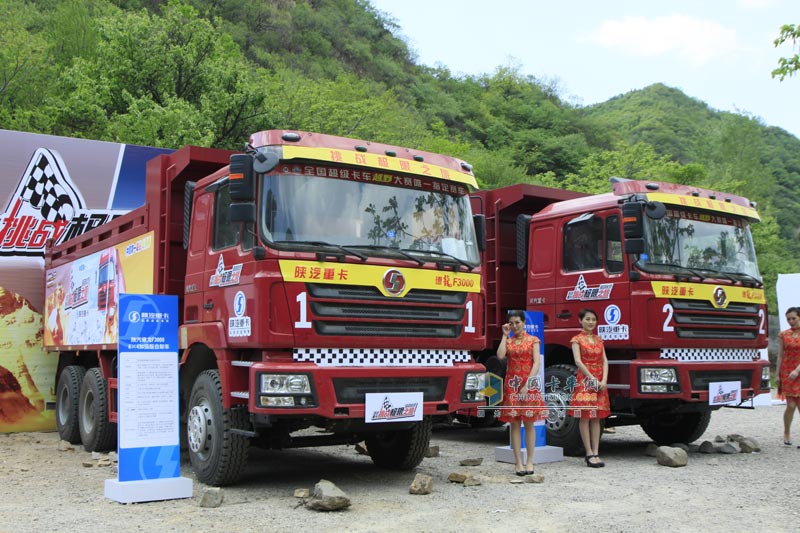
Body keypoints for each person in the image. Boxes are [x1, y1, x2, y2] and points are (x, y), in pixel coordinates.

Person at [496, 310, 546, 476]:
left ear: (524, 322)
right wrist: (504, 335)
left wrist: (527, 385)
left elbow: (537, 364)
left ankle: (530, 461)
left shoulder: (533, 340)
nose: (515, 326)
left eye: (518, 322)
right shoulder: (508, 341)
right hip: (512, 385)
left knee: (529, 423)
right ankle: (518, 462)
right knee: (515, 424)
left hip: (529, 385)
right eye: (512, 323)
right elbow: (500, 356)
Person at [568, 308, 610, 467]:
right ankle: (589, 453)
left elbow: (605, 360)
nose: (591, 322)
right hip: (585, 381)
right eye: (587, 319)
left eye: (593, 319)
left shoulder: (599, 340)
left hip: (600, 381)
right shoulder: (576, 340)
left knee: (597, 417)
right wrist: (592, 379)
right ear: (580, 320)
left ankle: (596, 452)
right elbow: (578, 362)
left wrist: (604, 380)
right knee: (585, 416)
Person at [777, 306, 800, 446]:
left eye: (794, 318)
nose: (791, 321)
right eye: (788, 319)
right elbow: (780, 355)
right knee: (790, 405)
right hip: (787, 371)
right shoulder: (784, 334)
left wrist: (797, 370)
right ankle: (786, 432)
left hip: (797, 370)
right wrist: (778, 374)